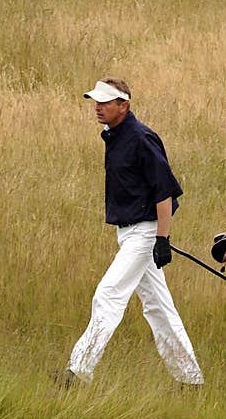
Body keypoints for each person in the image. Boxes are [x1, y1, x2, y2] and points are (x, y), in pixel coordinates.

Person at [59, 78, 204, 388]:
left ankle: (77, 372)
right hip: (130, 233)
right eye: (95, 101)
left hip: (145, 232)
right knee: (159, 308)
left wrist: (162, 239)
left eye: (105, 102)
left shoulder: (141, 138)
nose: (97, 107)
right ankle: (191, 380)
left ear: (123, 105)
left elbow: (163, 193)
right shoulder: (115, 136)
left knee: (109, 294)